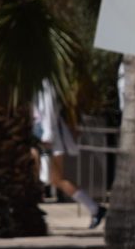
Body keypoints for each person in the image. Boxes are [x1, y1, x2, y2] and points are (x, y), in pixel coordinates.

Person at [32, 81, 106, 229]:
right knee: (50, 178)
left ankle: (95, 208)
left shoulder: (44, 84)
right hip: (39, 135)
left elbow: (49, 111)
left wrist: (48, 136)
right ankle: (94, 208)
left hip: (47, 138)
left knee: (57, 179)